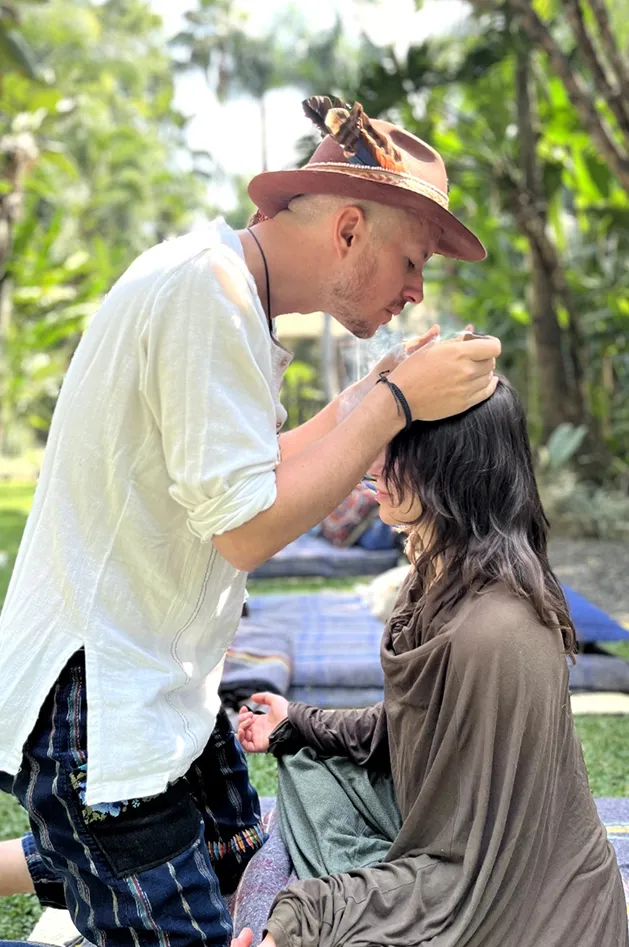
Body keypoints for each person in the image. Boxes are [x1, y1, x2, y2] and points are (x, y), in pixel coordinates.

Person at [0, 95, 500, 946]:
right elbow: (244, 529)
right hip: (105, 696)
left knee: (233, 864)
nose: (416, 291)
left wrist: (365, 393)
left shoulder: (224, 289)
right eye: (412, 260)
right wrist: (391, 403)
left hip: (156, 681)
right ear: (348, 231)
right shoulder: (206, 290)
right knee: (166, 901)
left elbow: (259, 469)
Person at [235, 376, 629, 947]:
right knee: (309, 766)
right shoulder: (434, 573)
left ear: (449, 464)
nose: (371, 462)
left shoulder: (498, 632)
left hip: (521, 900)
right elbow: (415, 727)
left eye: (394, 444)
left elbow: (470, 875)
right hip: (453, 838)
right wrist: (299, 722)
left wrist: (302, 919)